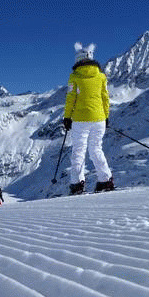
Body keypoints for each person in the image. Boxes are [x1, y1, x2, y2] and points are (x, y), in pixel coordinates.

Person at [63, 42, 114, 194]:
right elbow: (105, 98)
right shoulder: (101, 76)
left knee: (78, 151)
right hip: (99, 119)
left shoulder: (74, 77)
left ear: (77, 59)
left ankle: (77, 184)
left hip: (80, 119)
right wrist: (106, 116)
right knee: (96, 149)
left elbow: (70, 98)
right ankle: (105, 180)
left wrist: (67, 117)